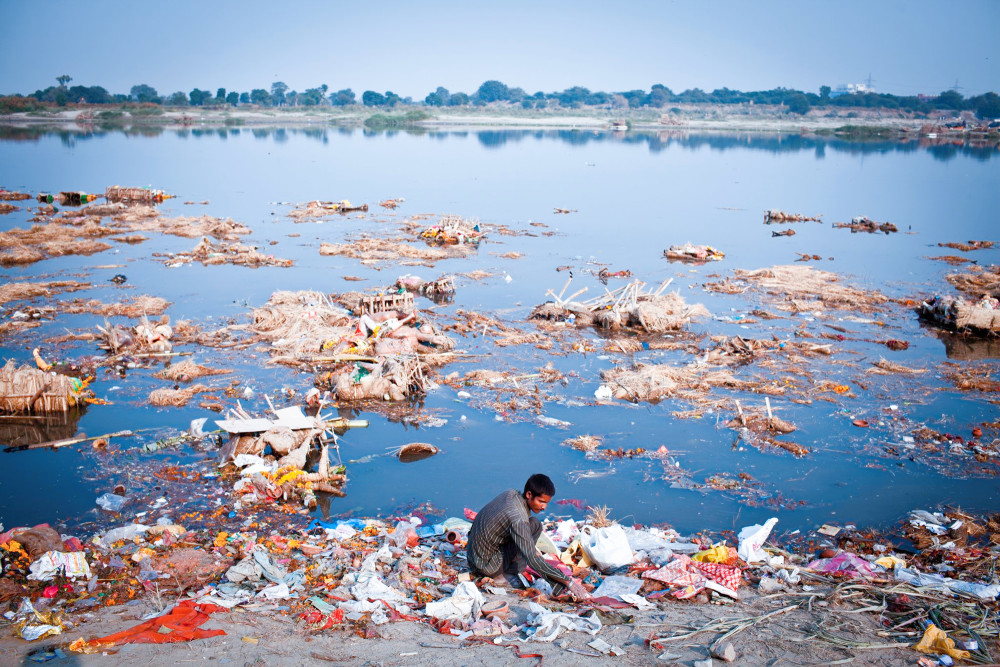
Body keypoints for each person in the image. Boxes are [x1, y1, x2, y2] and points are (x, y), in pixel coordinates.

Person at [466, 473, 589, 600]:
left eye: (546, 503)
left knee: (534, 524)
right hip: (486, 565)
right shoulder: (518, 518)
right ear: (529, 495)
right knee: (532, 533)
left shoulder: (511, 494)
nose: (544, 507)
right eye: (541, 501)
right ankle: (508, 575)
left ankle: (510, 569)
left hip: (473, 555)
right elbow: (532, 559)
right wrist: (568, 581)